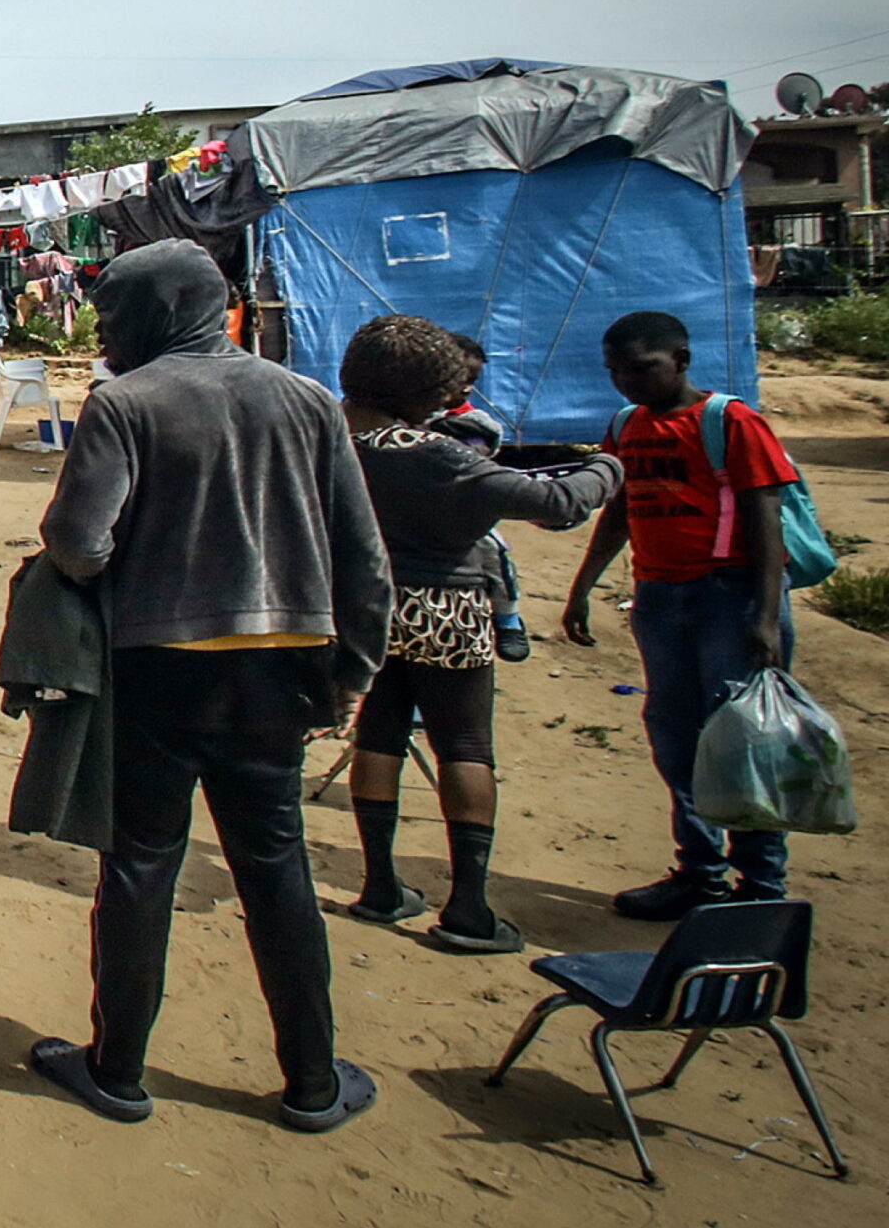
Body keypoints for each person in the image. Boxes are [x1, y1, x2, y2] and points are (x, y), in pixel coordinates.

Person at [30, 241, 391, 1133]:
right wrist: (351, 669)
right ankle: (312, 1080)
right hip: (282, 667)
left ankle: (117, 1069)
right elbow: (363, 557)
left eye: (113, 316)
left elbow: (79, 541)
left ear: (159, 311)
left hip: (157, 669)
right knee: (277, 870)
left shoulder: (124, 403)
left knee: (141, 864)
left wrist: (111, 571)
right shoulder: (308, 402)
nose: (103, 333)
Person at [336, 317, 623, 953]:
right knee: (465, 746)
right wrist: (605, 468)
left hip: (365, 607)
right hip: (447, 607)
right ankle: (468, 907)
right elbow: (556, 507)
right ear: (431, 391)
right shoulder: (437, 455)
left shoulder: (331, 439)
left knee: (377, 735)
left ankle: (380, 887)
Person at [564, 310, 799, 918]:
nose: (628, 383)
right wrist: (583, 585)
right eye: (616, 372)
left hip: (728, 595)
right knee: (677, 742)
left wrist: (765, 618)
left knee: (741, 743)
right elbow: (618, 511)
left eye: (643, 369)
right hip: (659, 599)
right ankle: (700, 873)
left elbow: (765, 522)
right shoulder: (625, 428)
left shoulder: (731, 423)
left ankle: (762, 890)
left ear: (681, 361)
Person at [429, 334, 531, 663]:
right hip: (415, 510)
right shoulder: (412, 415)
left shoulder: (470, 423)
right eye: (460, 379)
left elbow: (479, 449)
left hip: (462, 512)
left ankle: (508, 617)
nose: (468, 388)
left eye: (472, 381)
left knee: (493, 550)